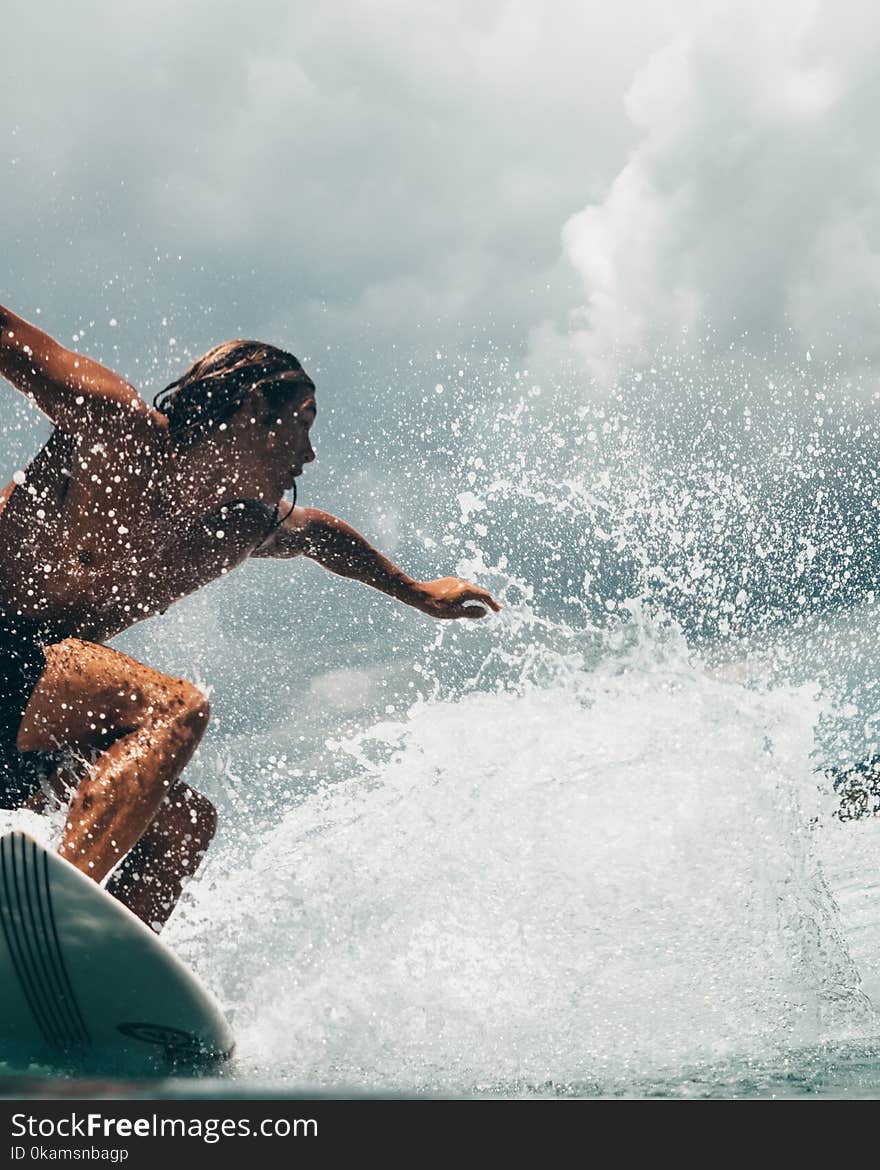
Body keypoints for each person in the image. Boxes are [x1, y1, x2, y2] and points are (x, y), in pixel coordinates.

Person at [0, 303, 501, 930]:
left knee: (183, 827)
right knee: (175, 708)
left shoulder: (231, 528)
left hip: (26, 708)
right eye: (303, 423)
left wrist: (420, 594)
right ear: (252, 406)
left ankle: (93, 983)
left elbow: (319, 536)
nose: (311, 454)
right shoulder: (118, 432)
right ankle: (46, 924)